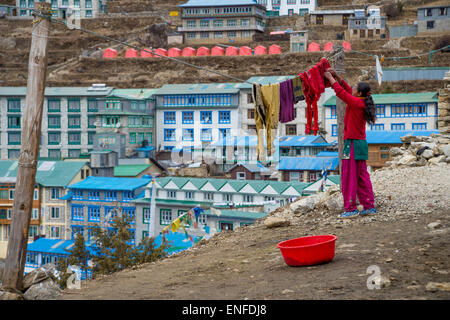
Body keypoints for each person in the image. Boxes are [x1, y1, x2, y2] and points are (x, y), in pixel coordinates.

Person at [324, 68, 377, 219]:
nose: (352, 89)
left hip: (352, 145)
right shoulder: (361, 102)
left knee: (348, 177)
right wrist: (336, 77)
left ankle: (351, 208)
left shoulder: (356, 103)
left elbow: (341, 93)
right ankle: (368, 206)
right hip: (360, 144)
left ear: (359, 93)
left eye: (355, 88)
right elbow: (346, 90)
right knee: (361, 176)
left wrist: (330, 79)